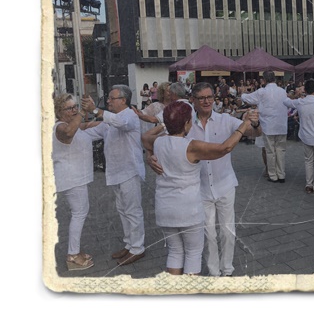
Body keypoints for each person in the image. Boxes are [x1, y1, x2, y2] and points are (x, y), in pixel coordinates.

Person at [142, 101, 254, 275]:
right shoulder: (191, 146)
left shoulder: (158, 142)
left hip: (164, 207)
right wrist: (245, 124)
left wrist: (164, 125)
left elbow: (145, 137)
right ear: (187, 123)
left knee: (175, 251)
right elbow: (225, 147)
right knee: (193, 253)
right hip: (188, 208)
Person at [82, 85, 147, 265]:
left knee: (133, 211)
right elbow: (91, 133)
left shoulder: (130, 116)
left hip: (129, 171)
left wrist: (95, 110)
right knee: (123, 210)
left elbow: (121, 123)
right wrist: (70, 130)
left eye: (112, 98)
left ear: (123, 101)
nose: (108, 101)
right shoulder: (111, 120)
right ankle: (129, 244)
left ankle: (138, 248)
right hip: (117, 172)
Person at [52, 94, 97, 271]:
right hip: (71, 178)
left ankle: (75, 252)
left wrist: (106, 120)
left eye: (75, 106)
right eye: (69, 108)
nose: (74, 110)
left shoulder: (69, 124)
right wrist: (84, 111)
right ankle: (72, 255)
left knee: (79, 212)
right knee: (79, 213)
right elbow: (70, 132)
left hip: (75, 177)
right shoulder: (60, 127)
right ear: (59, 112)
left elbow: (83, 126)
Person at [241, 70, 288, 183]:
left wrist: (242, 93)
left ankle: (273, 175)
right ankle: (281, 174)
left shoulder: (262, 91)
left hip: (269, 125)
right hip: (281, 125)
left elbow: (247, 98)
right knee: (280, 150)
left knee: (270, 151)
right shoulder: (282, 91)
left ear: (264, 80)